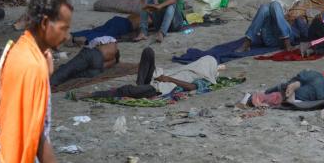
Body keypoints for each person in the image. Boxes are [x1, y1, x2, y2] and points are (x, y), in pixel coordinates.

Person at [0, 0, 82, 163]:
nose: (67, 36)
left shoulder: (23, 48)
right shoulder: (31, 65)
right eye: (63, 28)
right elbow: (36, 137)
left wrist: (46, 73)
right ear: (45, 23)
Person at [72, 48, 218, 100]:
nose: (201, 64)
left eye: (205, 63)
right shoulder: (191, 68)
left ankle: (90, 95)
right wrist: (162, 74)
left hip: (159, 89)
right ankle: (141, 85)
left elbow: (192, 88)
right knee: (148, 52)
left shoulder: (204, 79)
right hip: (156, 79)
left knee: (127, 90)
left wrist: (168, 79)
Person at [235, 1, 324, 55]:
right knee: (264, 8)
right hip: (271, 35)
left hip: (282, 38)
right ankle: (248, 41)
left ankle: (285, 41)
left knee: (274, 5)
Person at [50, 40, 120, 86]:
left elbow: (91, 43)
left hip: (94, 54)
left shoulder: (111, 42)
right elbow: (102, 67)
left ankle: (50, 83)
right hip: (97, 69)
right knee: (74, 74)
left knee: (69, 68)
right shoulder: (113, 60)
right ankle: (60, 78)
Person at [71, 14, 142, 46]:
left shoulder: (139, 13)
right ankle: (86, 39)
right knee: (107, 35)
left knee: (98, 30)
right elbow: (141, 28)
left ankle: (73, 34)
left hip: (117, 19)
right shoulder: (147, 17)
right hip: (125, 25)